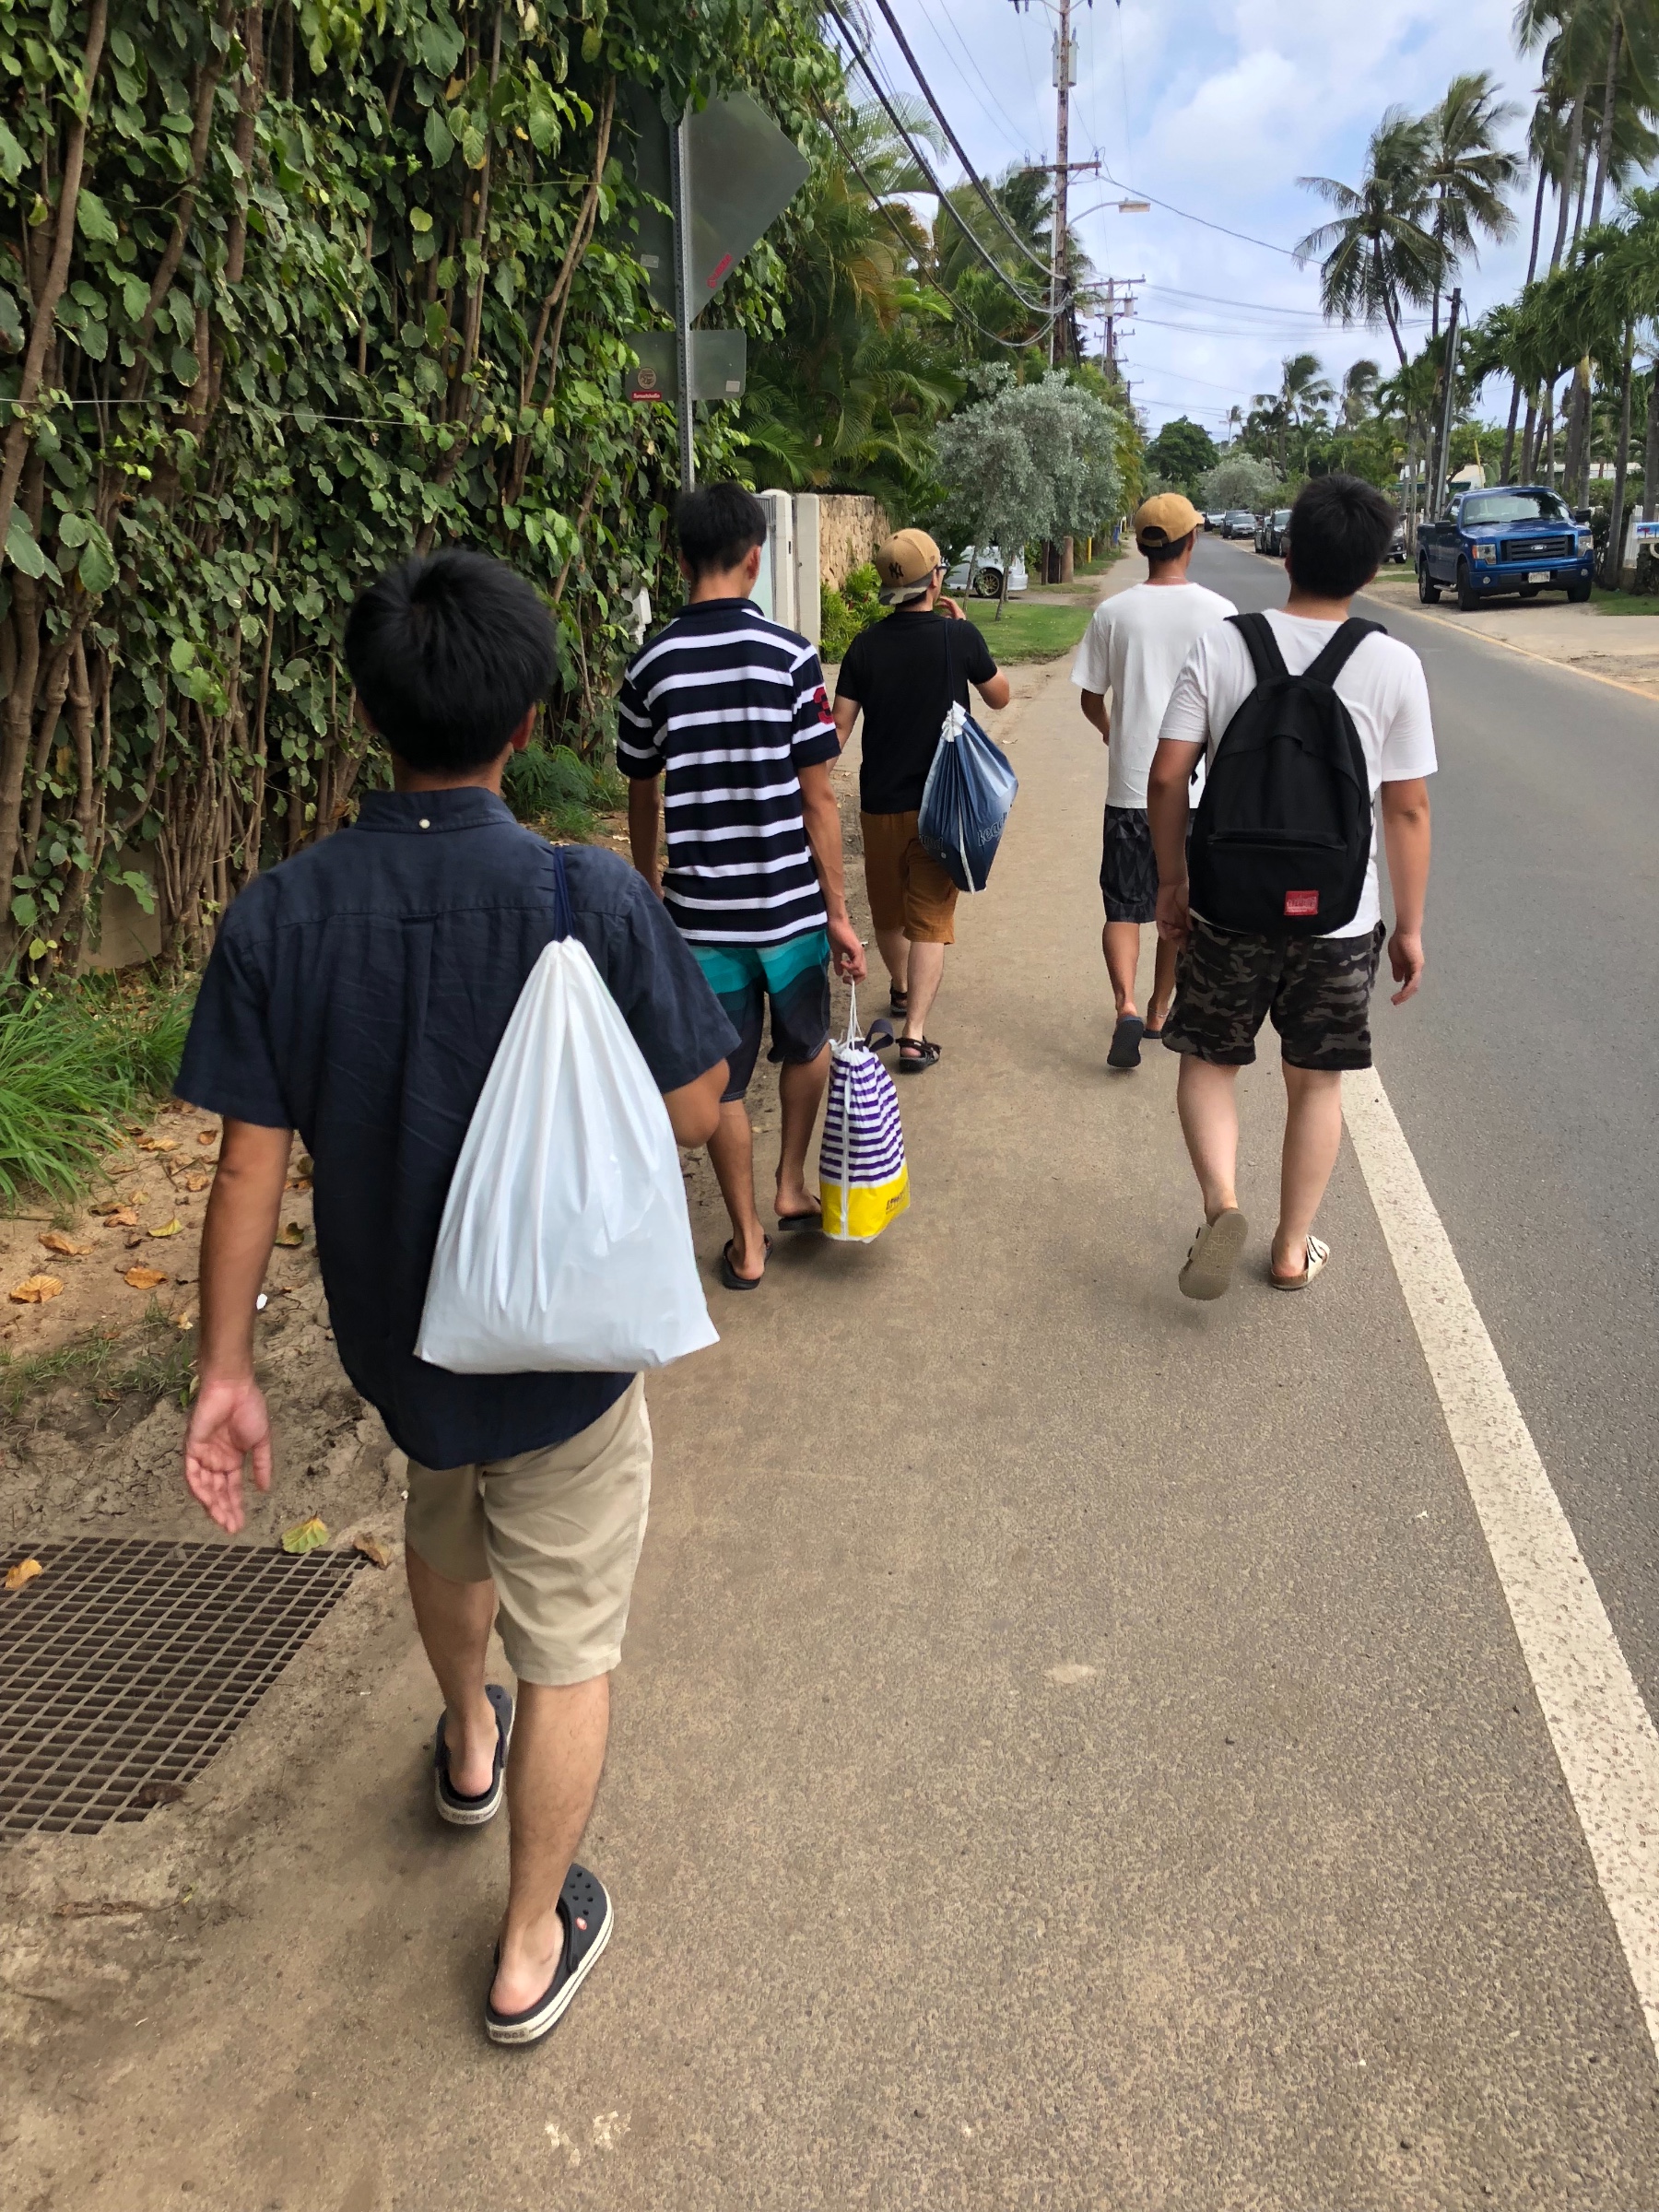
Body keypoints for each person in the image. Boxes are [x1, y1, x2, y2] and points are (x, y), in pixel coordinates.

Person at [173, 550, 735, 2047]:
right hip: (563, 1359)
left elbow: (247, 1167)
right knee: (573, 1644)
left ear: (370, 713)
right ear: (529, 716)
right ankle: (527, 1943)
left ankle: (466, 1746)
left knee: (446, 1510)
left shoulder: (281, 914)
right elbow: (696, 1110)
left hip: (406, 1356)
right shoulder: (587, 894)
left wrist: (225, 1371)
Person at [1147, 473, 1434, 1299]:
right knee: (1315, 1081)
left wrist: (1172, 882)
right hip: (1337, 918)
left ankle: (1221, 1205)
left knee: (1210, 1060)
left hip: (1227, 904)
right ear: (1372, 569)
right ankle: (1290, 1246)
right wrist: (1409, 928)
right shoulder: (1392, 662)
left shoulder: (1223, 646)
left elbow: (1167, 778)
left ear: (1288, 554)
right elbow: (1407, 810)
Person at [619, 483, 865, 1288]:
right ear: (755, 561)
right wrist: (837, 912)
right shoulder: (793, 658)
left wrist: (649, 890)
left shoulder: (649, 666)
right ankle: (791, 1182)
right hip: (790, 912)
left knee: (721, 1082)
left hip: (700, 923)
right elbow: (818, 798)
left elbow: (643, 793)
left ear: (680, 561)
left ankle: (749, 1242)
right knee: (806, 1046)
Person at [832, 529, 1011, 1071]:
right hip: (943, 807)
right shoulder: (959, 638)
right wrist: (966, 633)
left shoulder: (864, 646)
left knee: (889, 913)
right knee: (929, 917)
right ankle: (914, 1036)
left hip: (880, 804)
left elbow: (838, 730)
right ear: (935, 580)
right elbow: (1000, 697)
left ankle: (902, 986)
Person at [1072, 493, 1236, 1069]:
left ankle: (1124, 1004)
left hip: (1131, 786)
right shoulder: (1221, 613)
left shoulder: (1113, 613)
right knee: (1179, 898)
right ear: (1192, 541)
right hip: (1195, 791)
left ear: (1143, 546)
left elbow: (1090, 697)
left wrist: (1112, 733)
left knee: (1123, 906)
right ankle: (1160, 1010)